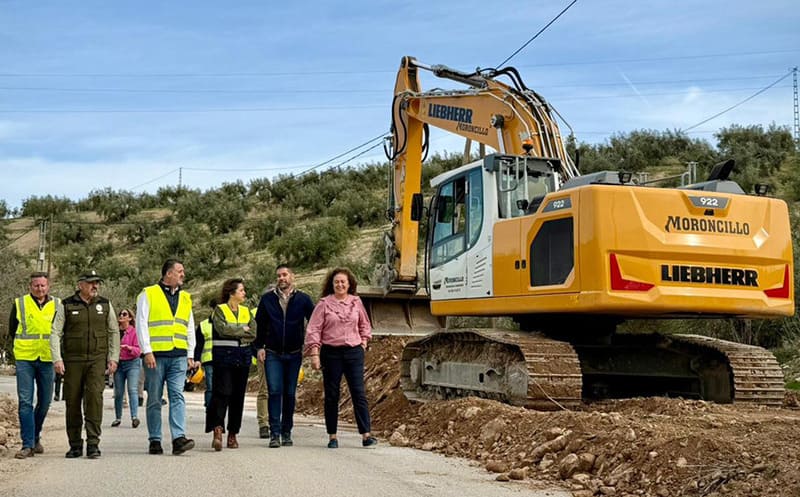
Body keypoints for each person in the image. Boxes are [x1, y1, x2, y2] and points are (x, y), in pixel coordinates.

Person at [304, 267, 377, 449]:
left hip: (353, 352)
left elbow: (365, 325)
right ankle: (332, 436)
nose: (340, 284)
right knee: (332, 394)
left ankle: (366, 435)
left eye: (343, 281)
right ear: (332, 284)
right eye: (336, 282)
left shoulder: (356, 302)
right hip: (331, 353)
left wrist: (363, 343)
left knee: (358, 392)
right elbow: (314, 329)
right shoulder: (324, 304)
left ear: (349, 284)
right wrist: (315, 354)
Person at [51, 270, 120, 459]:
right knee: (72, 401)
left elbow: (114, 331)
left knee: (94, 400)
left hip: (96, 360)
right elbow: (55, 332)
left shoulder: (105, 304)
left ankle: (93, 443)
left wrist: (113, 357)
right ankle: (74, 444)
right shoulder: (66, 305)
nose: (95, 286)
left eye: (97, 282)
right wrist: (57, 358)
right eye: (91, 282)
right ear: (80, 284)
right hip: (73, 361)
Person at [135, 259, 196, 456]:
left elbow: (189, 326)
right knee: (154, 397)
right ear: (168, 274)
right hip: (156, 355)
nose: (183, 274)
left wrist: (190, 353)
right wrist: (147, 351)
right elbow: (141, 323)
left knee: (177, 395)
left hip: (178, 354)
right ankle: (155, 439)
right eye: (180, 271)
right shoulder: (148, 294)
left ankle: (179, 438)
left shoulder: (185, 297)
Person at [255, 264, 314, 448]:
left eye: (284, 275)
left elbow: (314, 322)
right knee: (274, 391)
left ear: (292, 277)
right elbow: (259, 325)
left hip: (294, 353)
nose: (281, 278)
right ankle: (275, 433)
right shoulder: (267, 299)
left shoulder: (303, 299)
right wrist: (259, 347)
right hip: (272, 353)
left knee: (289, 393)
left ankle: (286, 431)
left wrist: (311, 345)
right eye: (279, 276)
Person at [9, 272, 60, 459]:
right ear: (30, 286)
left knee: (45, 402)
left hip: (47, 358)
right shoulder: (20, 303)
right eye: (36, 285)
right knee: (25, 402)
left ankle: (35, 435)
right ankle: (27, 444)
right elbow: (13, 330)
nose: (40, 289)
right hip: (25, 358)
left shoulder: (58, 305)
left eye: (43, 285)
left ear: (48, 286)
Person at [205, 278, 256, 451]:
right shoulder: (220, 310)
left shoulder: (246, 311)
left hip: (242, 357)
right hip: (224, 358)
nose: (244, 293)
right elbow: (222, 329)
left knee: (238, 396)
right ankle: (217, 429)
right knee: (222, 393)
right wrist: (242, 330)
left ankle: (233, 433)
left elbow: (253, 332)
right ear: (231, 293)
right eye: (241, 290)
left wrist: (236, 331)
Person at [111, 308, 141, 428]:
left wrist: (129, 348)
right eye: (120, 314)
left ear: (130, 318)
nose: (122, 316)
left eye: (124, 314)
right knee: (118, 392)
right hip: (118, 364)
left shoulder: (134, 332)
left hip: (132, 363)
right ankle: (118, 418)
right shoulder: (115, 332)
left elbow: (138, 350)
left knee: (132, 389)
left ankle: (134, 417)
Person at [193, 299, 216, 408]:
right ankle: (210, 409)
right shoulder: (204, 325)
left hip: (225, 359)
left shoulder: (228, 324)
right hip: (209, 360)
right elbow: (199, 344)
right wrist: (197, 359)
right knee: (211, 386)